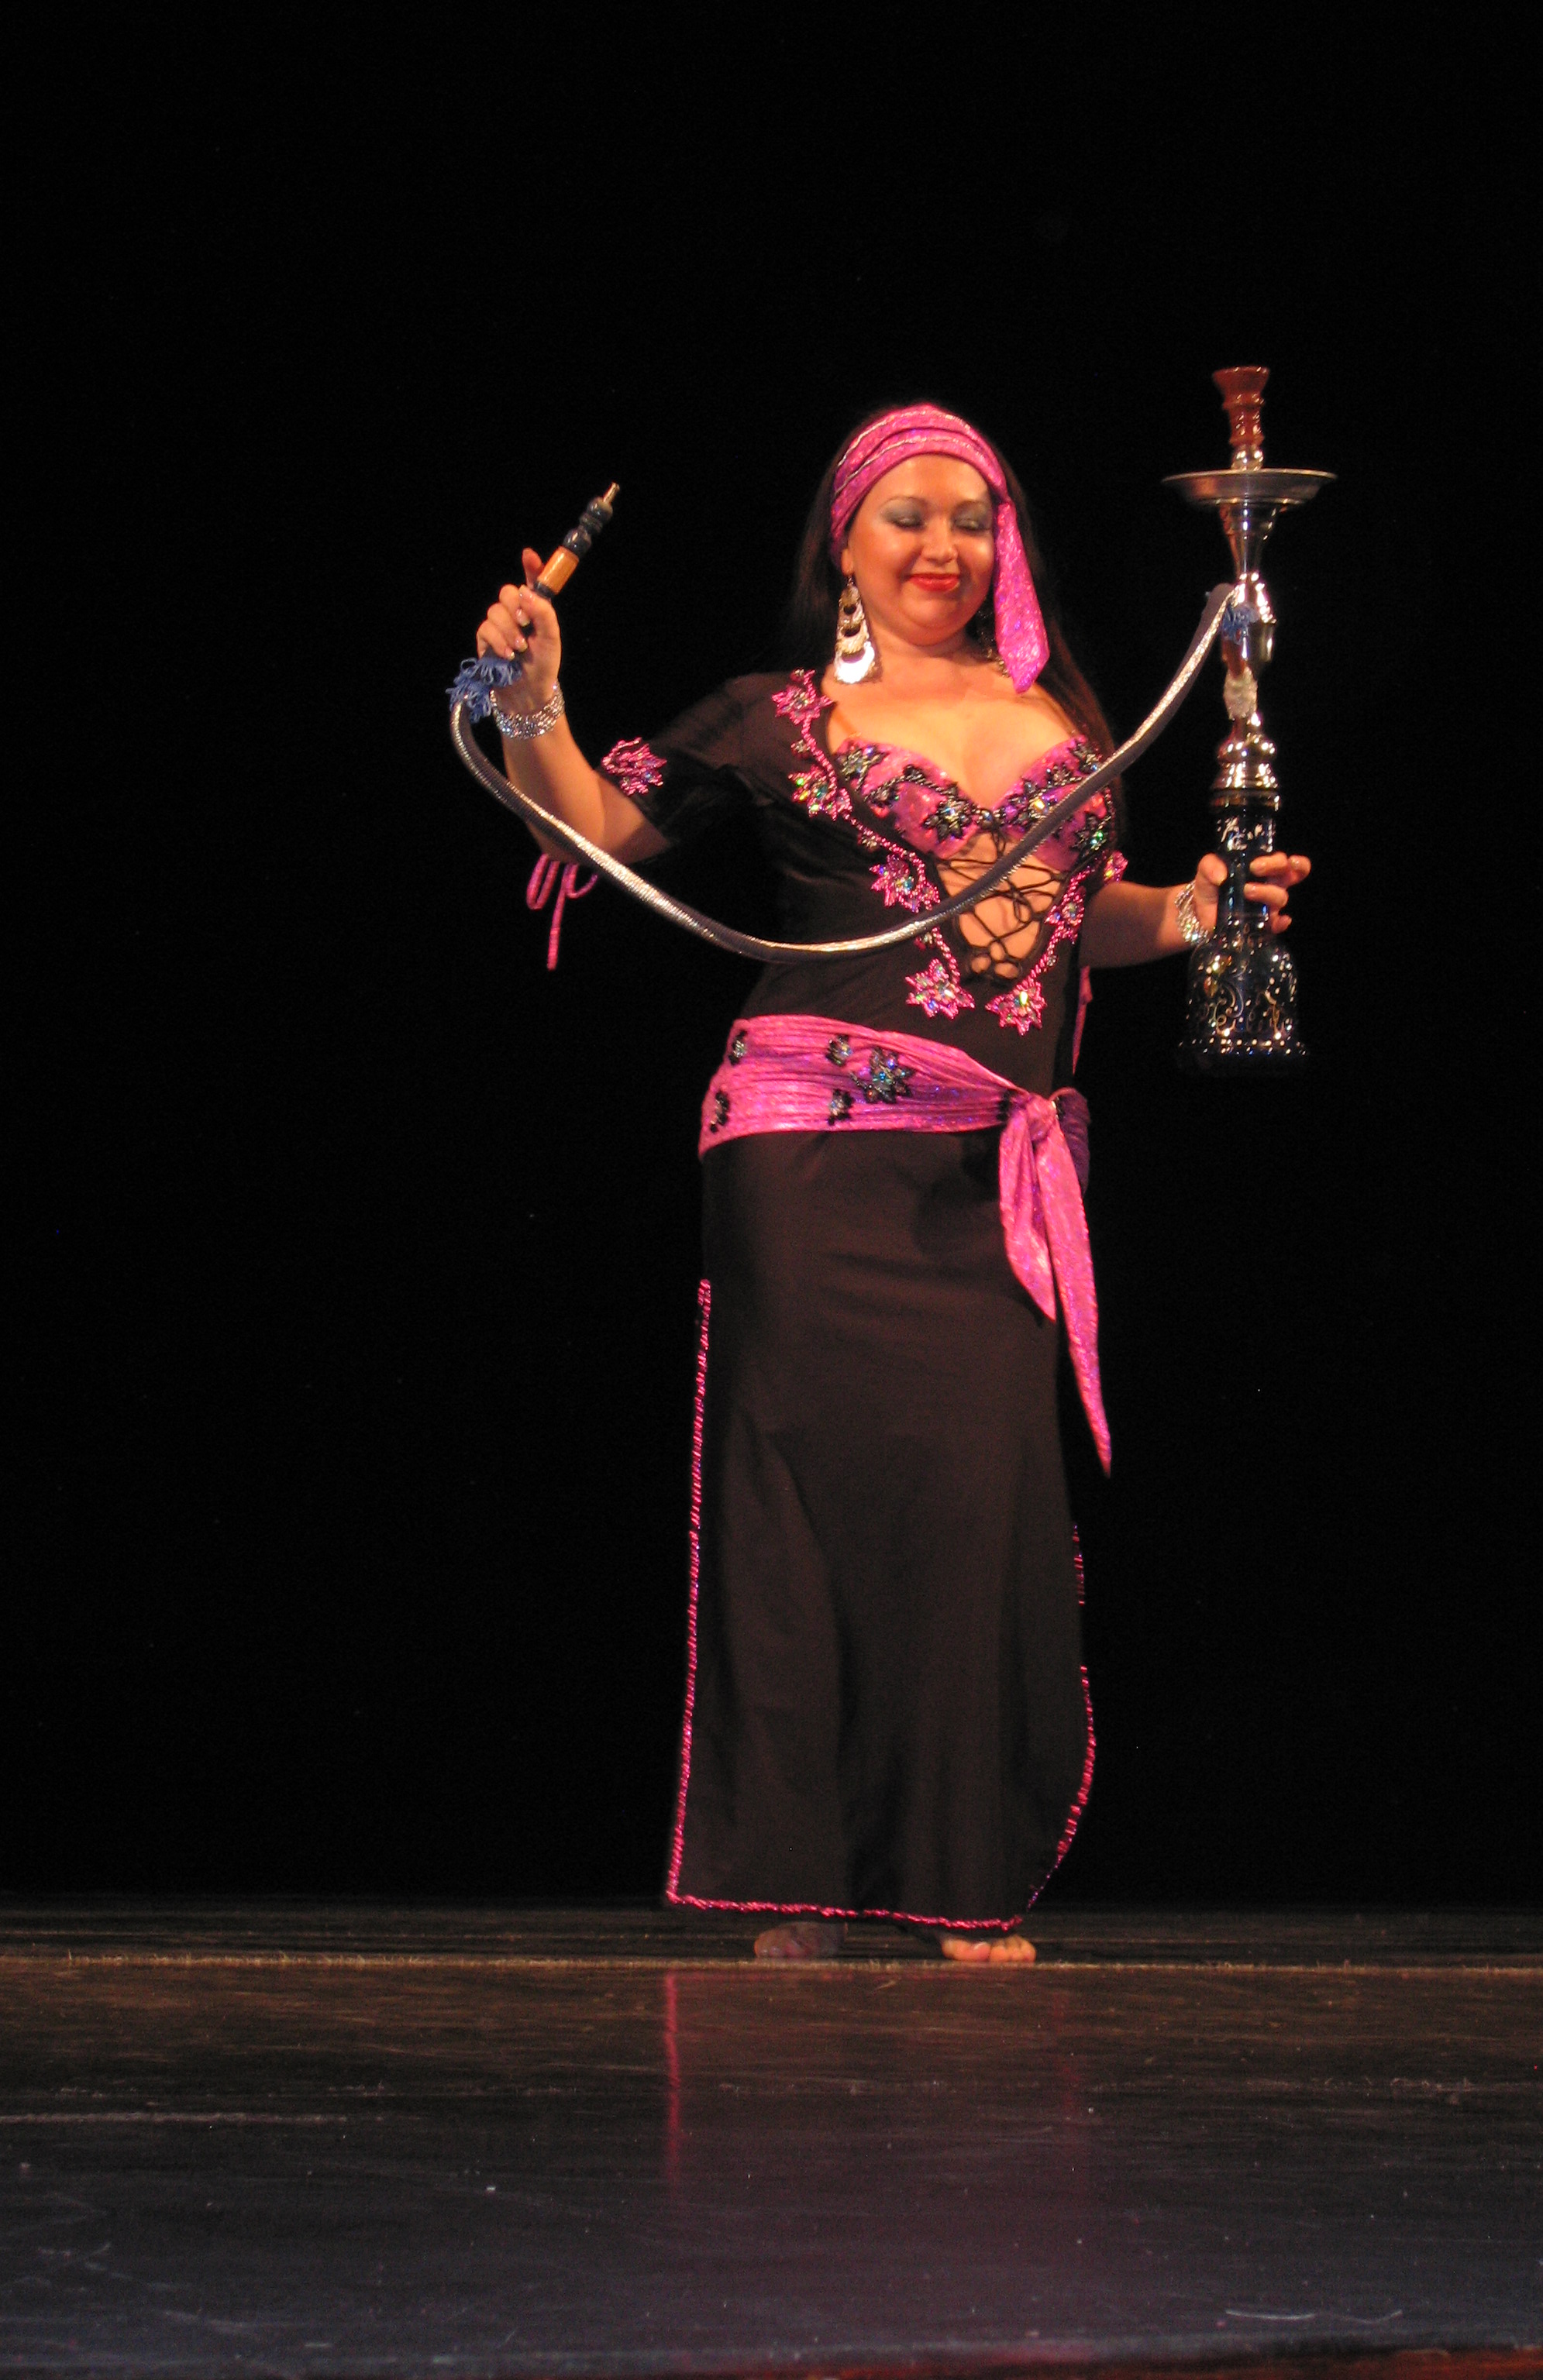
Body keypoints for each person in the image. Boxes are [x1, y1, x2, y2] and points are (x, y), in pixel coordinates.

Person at [471, 406, 1309, 1964]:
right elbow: (588, 821)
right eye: (908, 517)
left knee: (973, 1504)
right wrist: (532, 699)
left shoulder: (1070, 720)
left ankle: (951, 1875)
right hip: (809, 1157)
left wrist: (1197, 911)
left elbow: (1078, 917)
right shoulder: (772, 716)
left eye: (973, 520)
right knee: (805, 1507)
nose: (944, 547)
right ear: (843, 544)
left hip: (988, 1169)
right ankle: (800, 1882)